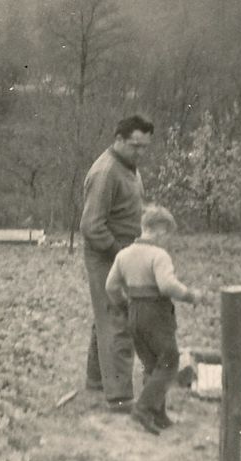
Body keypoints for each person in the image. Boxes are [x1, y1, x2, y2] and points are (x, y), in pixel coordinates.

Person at [105, 204, 203, 435]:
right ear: (159, 230)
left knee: (152, 364)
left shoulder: (123, 254)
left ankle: (158, 414)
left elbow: (110, 286)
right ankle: (144, 408)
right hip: (156, 314)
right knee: (169, 362)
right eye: (167, 234)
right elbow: (167, 285)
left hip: (135, 312)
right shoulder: (159, 255)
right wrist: (191, 296)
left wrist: (123, 305)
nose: (167, 240)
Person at [80, 114, 154, 411]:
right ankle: (120, 396)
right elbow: (92, 226)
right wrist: (120, 256)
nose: (140, 152)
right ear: (119, 139)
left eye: (145, 147)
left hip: (124, 252)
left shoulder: (129, 168)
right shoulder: (106, 172)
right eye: (135, 146)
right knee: (117, 321)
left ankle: (97, 380)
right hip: (105, 255)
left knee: (108, 315)